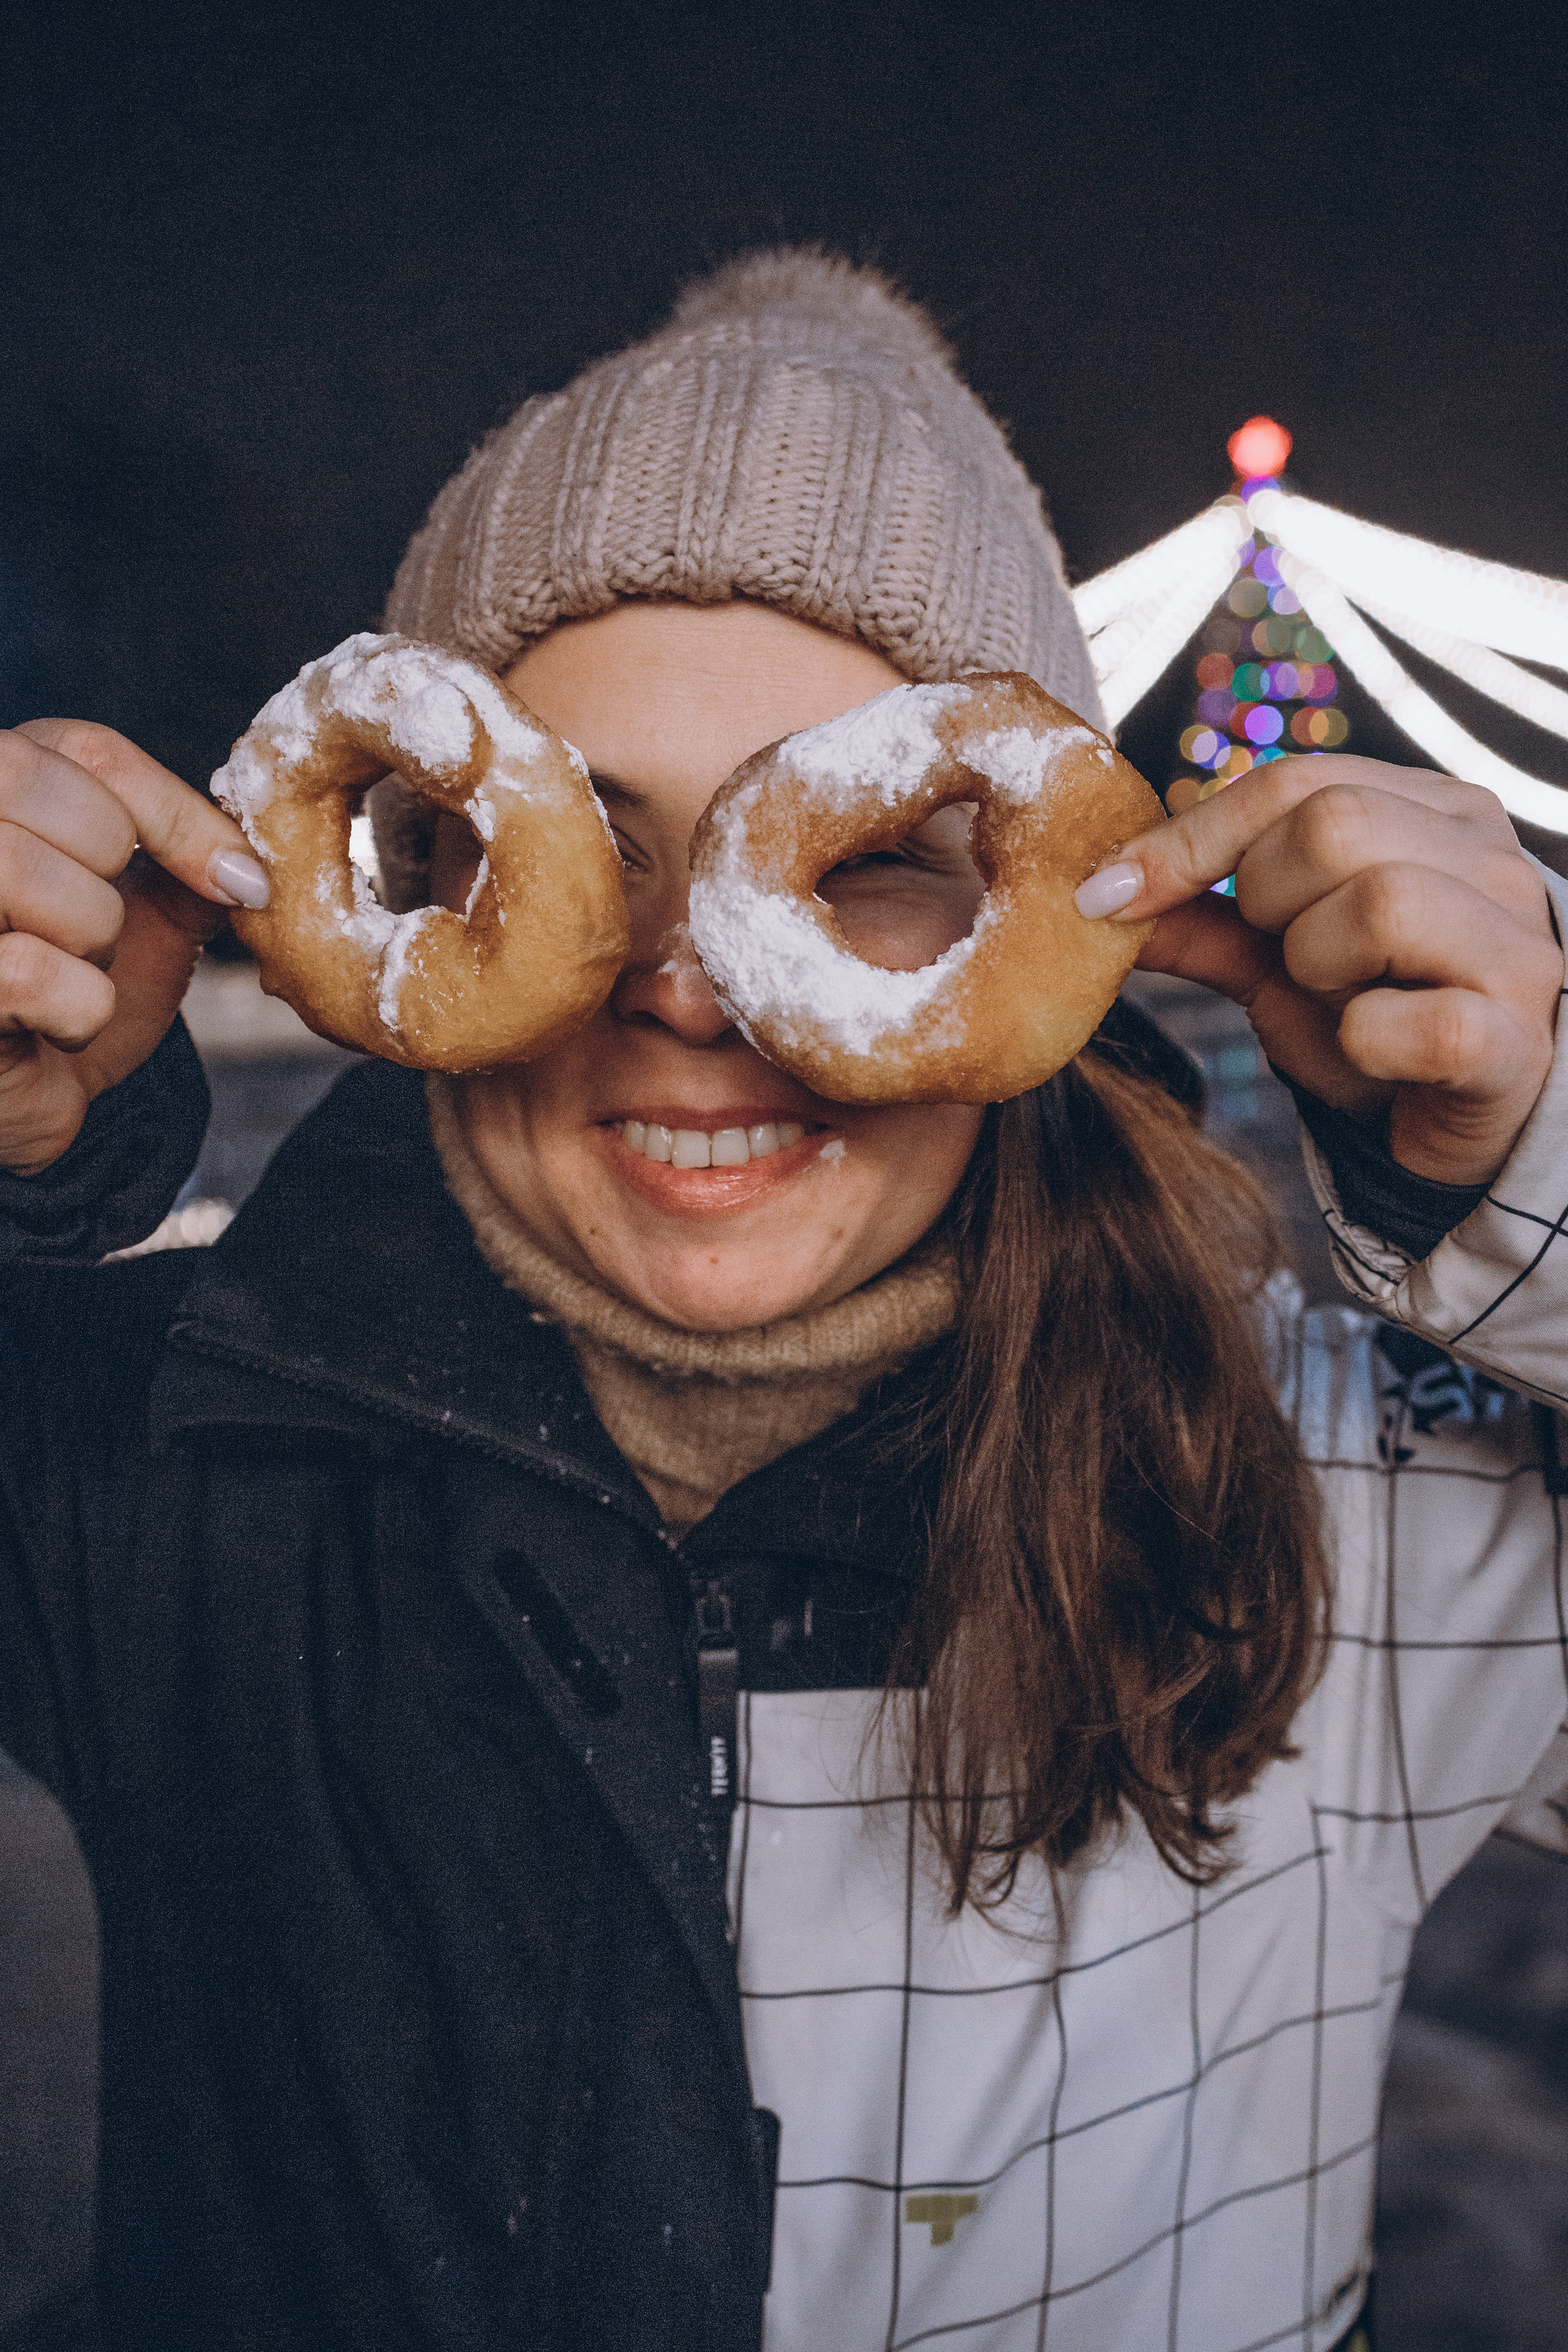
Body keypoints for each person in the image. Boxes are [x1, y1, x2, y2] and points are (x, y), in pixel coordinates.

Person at [0, 251, 1563, 2352]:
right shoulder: (164, 1454)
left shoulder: (1341, 1497)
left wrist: (1526, 1189)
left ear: (1037, 911)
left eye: (863, 853)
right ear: (423, 865)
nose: (685, 988)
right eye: (591, 848)